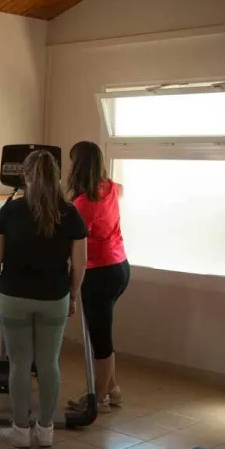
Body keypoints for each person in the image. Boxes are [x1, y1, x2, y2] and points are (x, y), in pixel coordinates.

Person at [0, 149, 88, 448]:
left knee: (19, 364)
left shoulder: (9, 211)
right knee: (49, 363)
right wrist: (72, 295)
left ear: (25, 176)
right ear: (56, 176)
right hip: (54, 296)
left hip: (14, 296)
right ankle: (45, 430)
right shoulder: (70, 213)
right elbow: (80, 263)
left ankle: (20, 429)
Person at [66, 141, 130, 414]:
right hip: (120, 268)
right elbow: (121, 191)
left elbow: (75, 244)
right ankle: (112, 388)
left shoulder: (82, 204)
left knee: (100, 336)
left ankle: (99, 396)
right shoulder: (113, 188)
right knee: (104, 328)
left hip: (99, 272)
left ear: (77, 166)